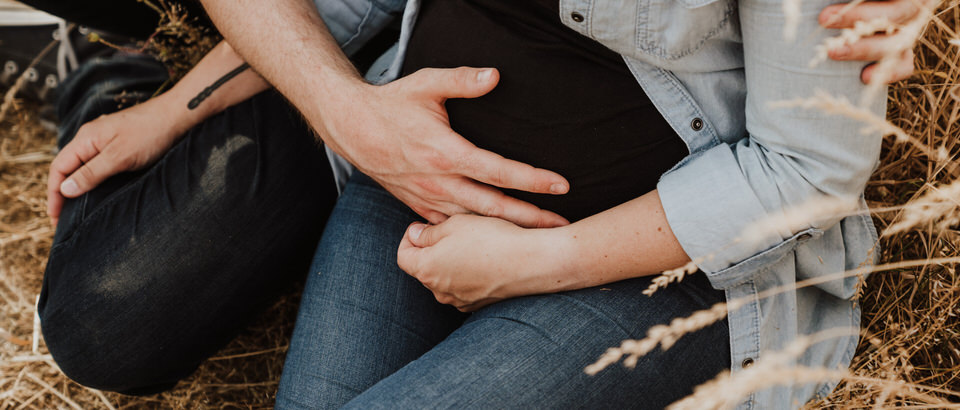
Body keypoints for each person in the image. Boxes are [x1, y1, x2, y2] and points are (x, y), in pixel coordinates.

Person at [18, 0, 915, 403]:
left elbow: (806, 165)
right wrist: (178, 107)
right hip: (408, 187)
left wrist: (535, 262)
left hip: (658, 266)